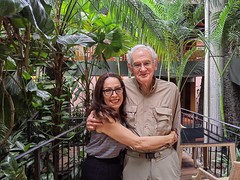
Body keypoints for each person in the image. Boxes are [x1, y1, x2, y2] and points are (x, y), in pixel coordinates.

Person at [87, 44, 181, 180]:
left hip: (164, 160)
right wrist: (90, 119)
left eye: (147, 63)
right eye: (137, 65)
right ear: (130, 68)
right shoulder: (121, 88)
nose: (143, 69)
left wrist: (176, 162)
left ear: (155, 64)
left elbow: (176, 128)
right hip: (134, 161)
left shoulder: (171, 90)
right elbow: (103, 102)